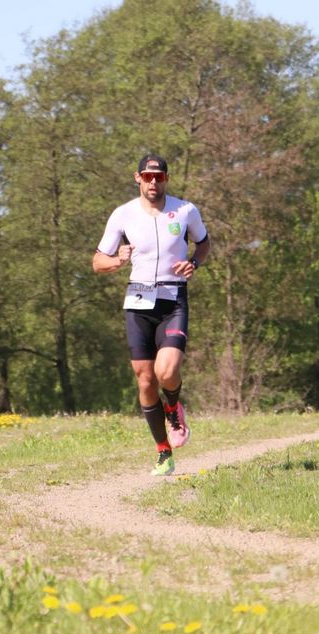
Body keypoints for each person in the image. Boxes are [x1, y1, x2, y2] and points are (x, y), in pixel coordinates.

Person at [92, 153, 210, 476]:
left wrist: (194, 263)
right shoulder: (123, 215)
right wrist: (118, 260)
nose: (153, 182)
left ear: (166, 179)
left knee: (167, 371)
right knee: (145, 379)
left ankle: (173, 407)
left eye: (158, 177)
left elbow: (203, 244)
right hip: (138, 302)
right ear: (138, 178)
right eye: (147, 177)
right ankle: (163, 452)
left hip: (173, 299)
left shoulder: (185, 211)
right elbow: (98, 262)